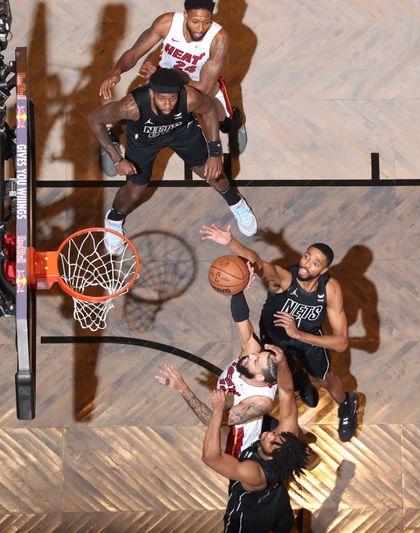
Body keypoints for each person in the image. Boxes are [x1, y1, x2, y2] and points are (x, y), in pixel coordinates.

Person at [200, 223, 359, 442]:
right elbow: (257, 262)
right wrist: (230, 242)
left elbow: (341, 343)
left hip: (308, 340)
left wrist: (299, 334)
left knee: (327, 381)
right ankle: (301, 381)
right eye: (306, 256)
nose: (306, 265)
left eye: (315, 263)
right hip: (275, 337)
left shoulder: (331, 290)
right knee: (282, 373)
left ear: (323, 271)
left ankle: (347, 405)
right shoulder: (286, 279)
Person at [88, 67, 256, 255]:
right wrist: (116, 159)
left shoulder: (189, 97)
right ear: (151, 92)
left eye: (172, 98)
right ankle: (114, 219)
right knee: (134, 190)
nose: (168, 105)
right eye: (162, 98)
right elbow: (94, 119)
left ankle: (236, 203)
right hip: (144, 141)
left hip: (183, 133)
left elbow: (209, 110)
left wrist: (215, 153)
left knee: (214, 174)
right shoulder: (131, 106)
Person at [98, 0, 246, 176]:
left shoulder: (219, 38)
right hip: (164, 83)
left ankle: (235, 122)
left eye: (206, 22)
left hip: (201, 86)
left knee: (225, 124)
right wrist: (117, 70)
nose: (200, 28)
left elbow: (204, 87)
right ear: (185, 15)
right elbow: (135, 52)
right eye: (195, 22)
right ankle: (113, 136)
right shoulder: (166, 23)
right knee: (137, 113)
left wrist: (160, 77)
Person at [203, 344, 309, 533]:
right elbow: (286, 390)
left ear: (271, 458)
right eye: (277, 435)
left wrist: (218, 411)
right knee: (286, 526)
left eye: (272, 441)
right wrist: (282, 362)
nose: (270, 433)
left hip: (250, 517)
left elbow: (211, 457)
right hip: (277, 500)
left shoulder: (254, 472)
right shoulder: (286, 440)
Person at [156, 293, 278, 456]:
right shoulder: (253, 356)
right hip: (240, 411)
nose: (251, 356)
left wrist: (182, 388)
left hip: (238, 441)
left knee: (221, 450)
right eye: (257, 355)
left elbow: (213, 420)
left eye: (255, 362)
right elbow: (241, 318)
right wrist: (237, 289)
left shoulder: (259, 402)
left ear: (260, 378)